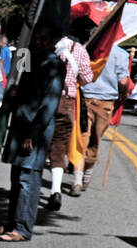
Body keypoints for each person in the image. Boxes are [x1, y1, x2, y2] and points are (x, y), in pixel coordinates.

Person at [0, 19, 65, 242]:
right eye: (37, 37)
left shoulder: (54, 64)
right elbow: (21, 80)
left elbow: (49, 105)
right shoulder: (30, 58)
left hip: (34, 130)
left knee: (28, 178)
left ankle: (23, 228)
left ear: (54, 41)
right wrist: (15, 92)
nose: (39, 42)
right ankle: (11, 222)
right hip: (20, 125)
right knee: (17, 177)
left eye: (44, 38)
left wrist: (33, 135)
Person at [44, 22, 94, 209]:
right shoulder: (78, 49)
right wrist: (73, 80)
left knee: (38, 142)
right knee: (59, 145)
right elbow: (87, 78)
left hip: (42, 98)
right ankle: (55, 190)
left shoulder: (42, 44)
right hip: (65, 101)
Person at [76, 41, 131, 197]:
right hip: (105, 102)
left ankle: (77, 179)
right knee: (95, 140)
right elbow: (123, 81)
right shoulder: (120, 54)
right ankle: (86, 175)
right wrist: (123, 94)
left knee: (82, 137)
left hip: (85, 98)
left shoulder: (87, 48)